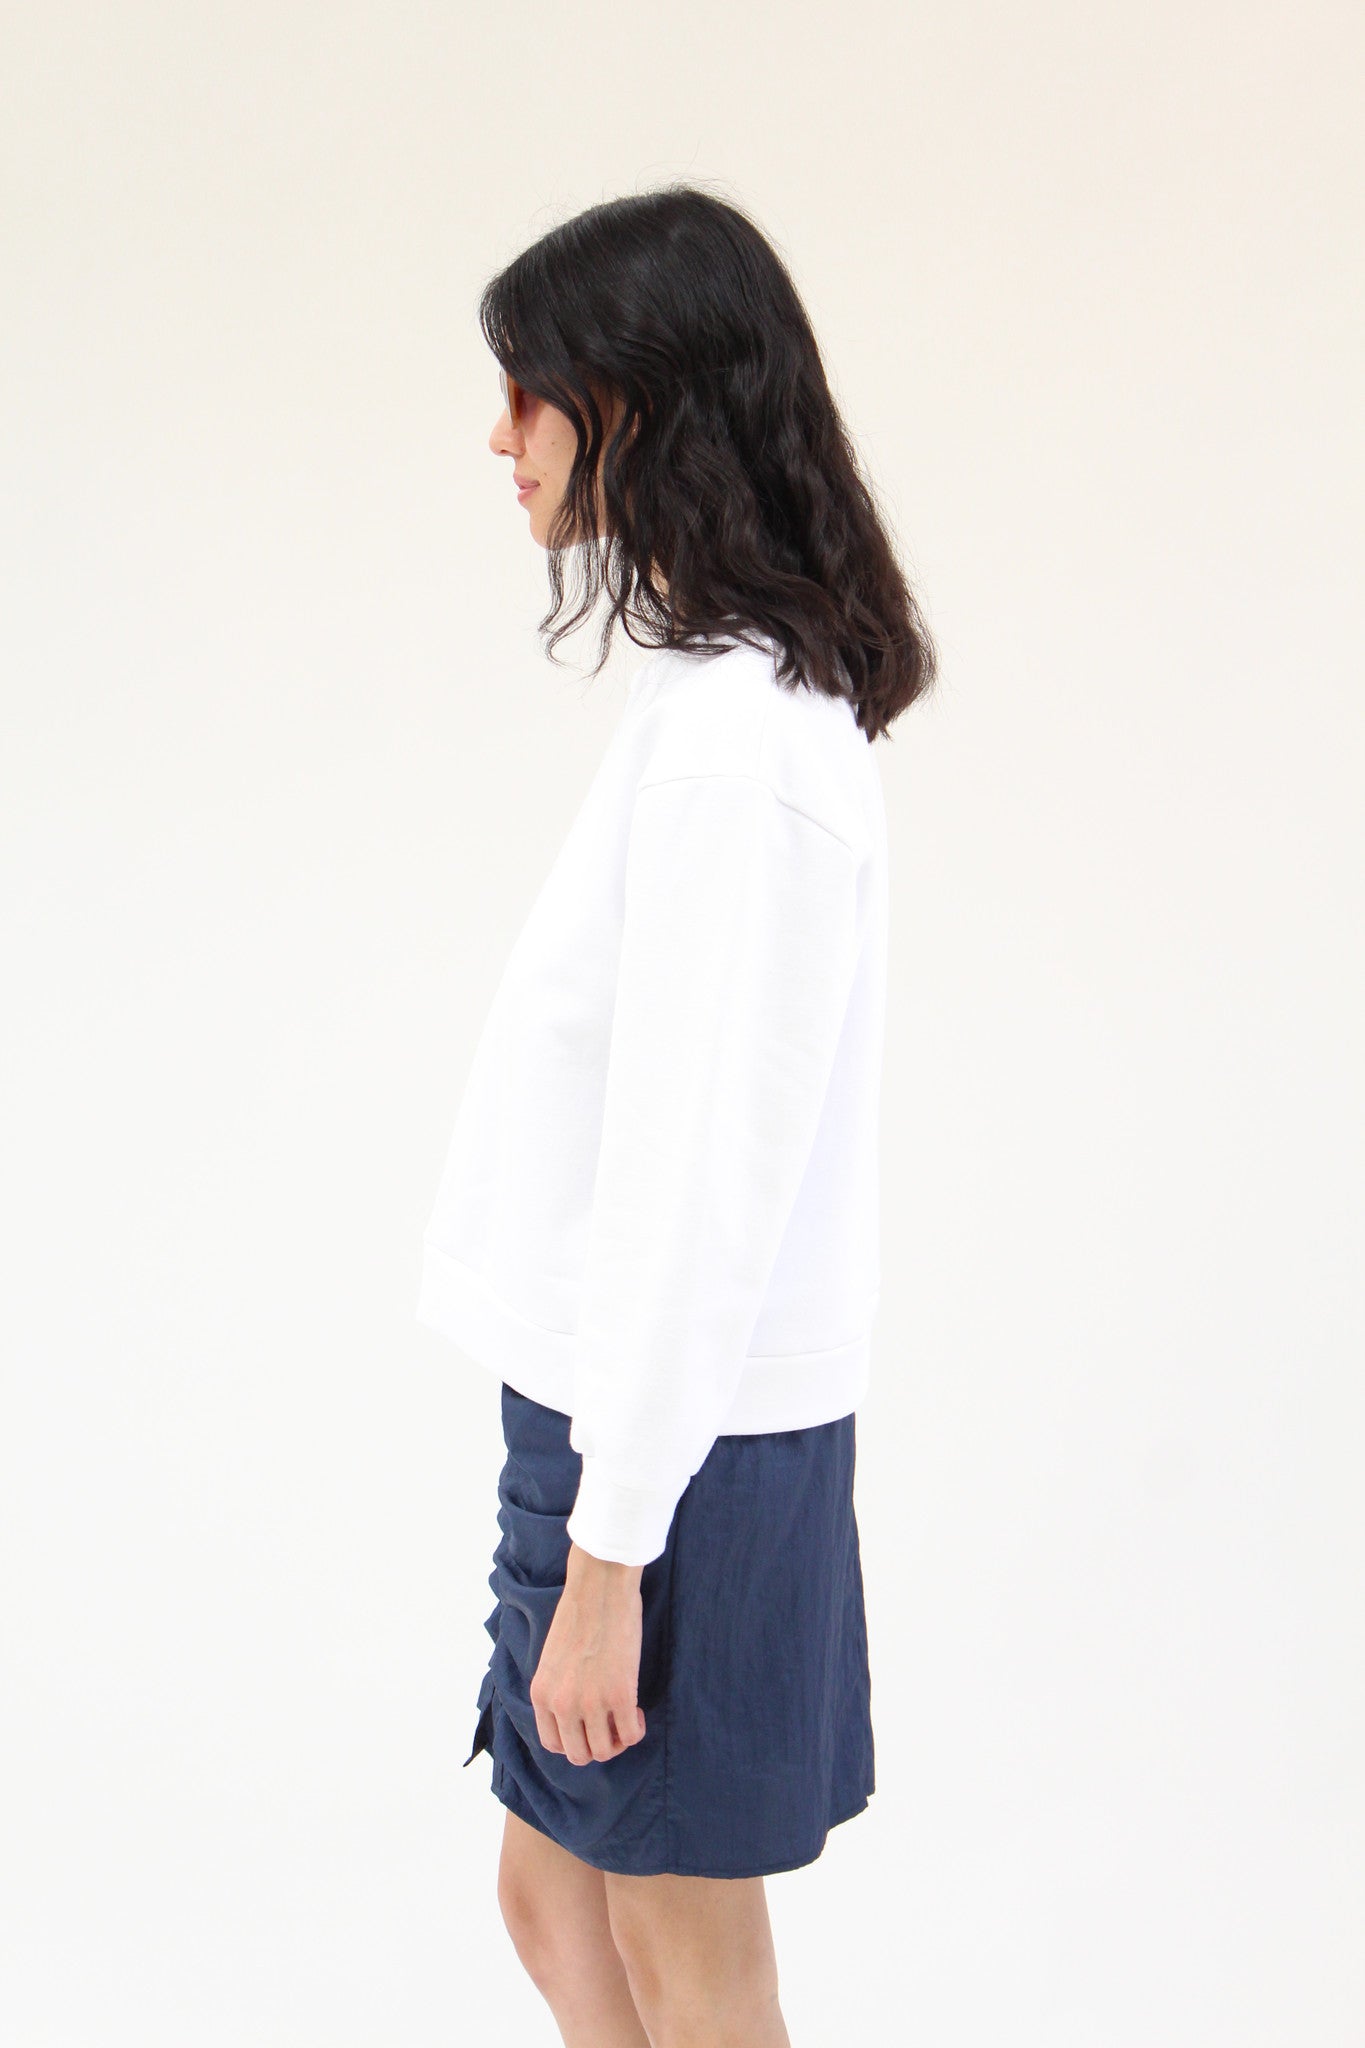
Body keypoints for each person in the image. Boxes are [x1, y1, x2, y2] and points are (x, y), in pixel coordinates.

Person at [415, 183, 937, 2048]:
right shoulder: (720, 707)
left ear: (633, 403)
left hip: (673, 1456)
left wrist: (612, 1556)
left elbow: (698, 1186)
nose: (499, 435)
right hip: (622, 1424)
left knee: (681, 1951)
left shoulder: (741, 754)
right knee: (556, 1895)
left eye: (529, 389)